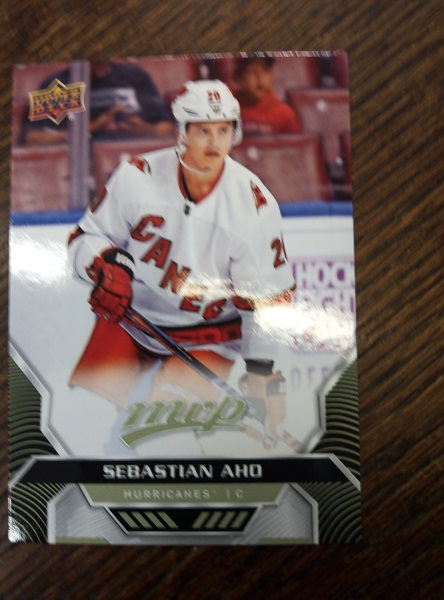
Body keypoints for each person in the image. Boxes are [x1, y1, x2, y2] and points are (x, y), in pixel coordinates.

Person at [67, 79, 301, 453]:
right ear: (182, 132)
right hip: (133, 319)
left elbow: (266, 302)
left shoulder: (253, 207)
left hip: (209, 335)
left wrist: (260, 374)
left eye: (224, 130)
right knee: (82, 420)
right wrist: (108, 265)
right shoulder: (137, 176)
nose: (215, 142)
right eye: (203, 131)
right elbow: (84, 238)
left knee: (162, 438)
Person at [26, 60, 175, 145]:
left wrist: (145, 130)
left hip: (130, 155)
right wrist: (90, 129)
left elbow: (168, 130)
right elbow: (34, 138)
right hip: (82, 166)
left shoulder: (135, 76)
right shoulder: (58, 85)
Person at [232, 56, 301, 134]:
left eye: (265, 70)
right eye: (252, 71)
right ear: (238, 77)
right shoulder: (226, 108)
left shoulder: (284, 114)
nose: (260, 78)